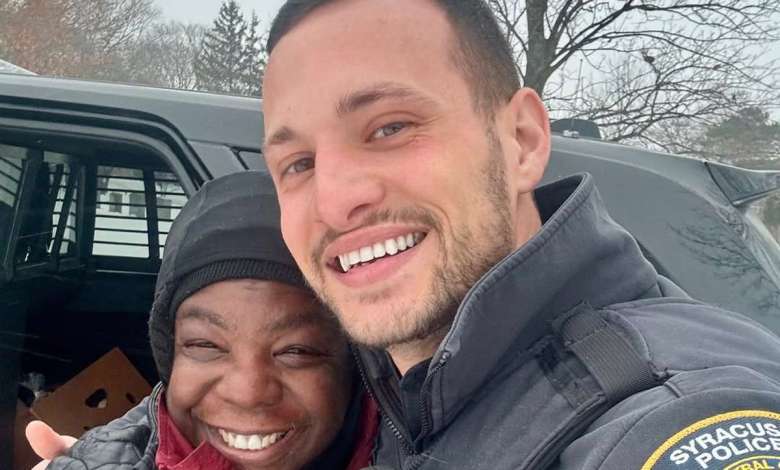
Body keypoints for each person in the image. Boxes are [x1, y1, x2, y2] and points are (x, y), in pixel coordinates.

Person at [260, 0, 780, 469]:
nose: (334, 201)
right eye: (298, 163)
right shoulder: (406, 392)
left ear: (523, 141)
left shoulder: (670, 416)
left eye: (389, 128)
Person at [28, 171, 377, 470]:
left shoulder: (425, 452)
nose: (247, 393)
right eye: (205, 345)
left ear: (354, 363)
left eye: (296, 351)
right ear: (170, 356)